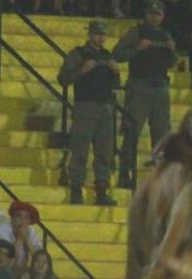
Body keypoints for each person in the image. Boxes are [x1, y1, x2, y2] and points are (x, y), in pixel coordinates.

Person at [113, 0, 177, 189]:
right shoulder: (136, 32)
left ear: (162, 16)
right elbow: (117, 54)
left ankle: (161, 177)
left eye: (157, 14)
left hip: (160, 88)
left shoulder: (165, 34)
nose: (154, 17)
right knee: (132, 132)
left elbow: (171, 62)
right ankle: (125, 173)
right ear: (145, 14)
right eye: (151, 13)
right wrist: (137, 48)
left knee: (161, 136)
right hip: (140, 86)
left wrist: (173, 52)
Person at [58, 21, 120, 206]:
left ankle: (101, 190)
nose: (100, 37)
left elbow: (115, 85)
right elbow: (63, 79)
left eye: (103, 34)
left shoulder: (107, 55)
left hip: (105, 107)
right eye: (97, 34)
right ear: (90, 35)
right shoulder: (78, 54)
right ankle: (76, 189)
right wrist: (82, 70)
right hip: (85, 106)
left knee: (104, 152)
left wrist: (116, 72)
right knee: (80, 150)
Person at [0, 201, 42, 276]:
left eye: (26, 217)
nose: (22, 221)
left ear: (29, 221)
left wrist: (26, 240)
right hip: (2, 271)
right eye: (19, 216)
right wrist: (19, 238)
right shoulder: (2, 230)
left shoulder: (30, 231)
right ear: (12, 219)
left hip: (22, 271)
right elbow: (7, 259)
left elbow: (39, 258)